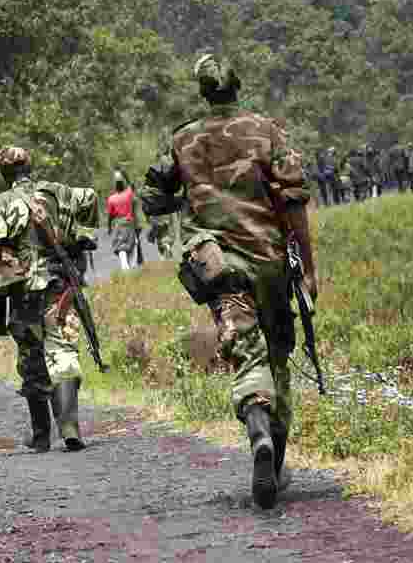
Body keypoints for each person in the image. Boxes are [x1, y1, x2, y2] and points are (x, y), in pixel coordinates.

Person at [140, 53, 318, 510]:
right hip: (271, 262)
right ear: (237, 87)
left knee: (244, 351)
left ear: (203, 92)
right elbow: (294, 199)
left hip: (218, 264)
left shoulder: (182, 139)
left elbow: (152, 196)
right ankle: (273, 458)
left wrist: (189, 212)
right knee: (278, 356)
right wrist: (309, 268)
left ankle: (257, 430)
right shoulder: (267, 131)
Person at [0, 147, 99, 453]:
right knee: (64, 350)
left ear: (3, 173)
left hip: (23, 290)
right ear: (30, 166)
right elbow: (91, 198)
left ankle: (41, 435)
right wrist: (79, 235)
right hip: (60, 285)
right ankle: (70, 427)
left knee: (32, 357)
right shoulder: (58, 193)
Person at [106, 169, 140, 270]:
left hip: (119, 224)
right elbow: (132, 185)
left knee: (120, 247)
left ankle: (125, 267)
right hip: (129, 223)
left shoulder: (111, 199)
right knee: (132, 244)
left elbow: (110, 216)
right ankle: (132, 266)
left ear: (115, 187)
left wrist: (109, 227)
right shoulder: (129, 194)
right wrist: (126, 177)